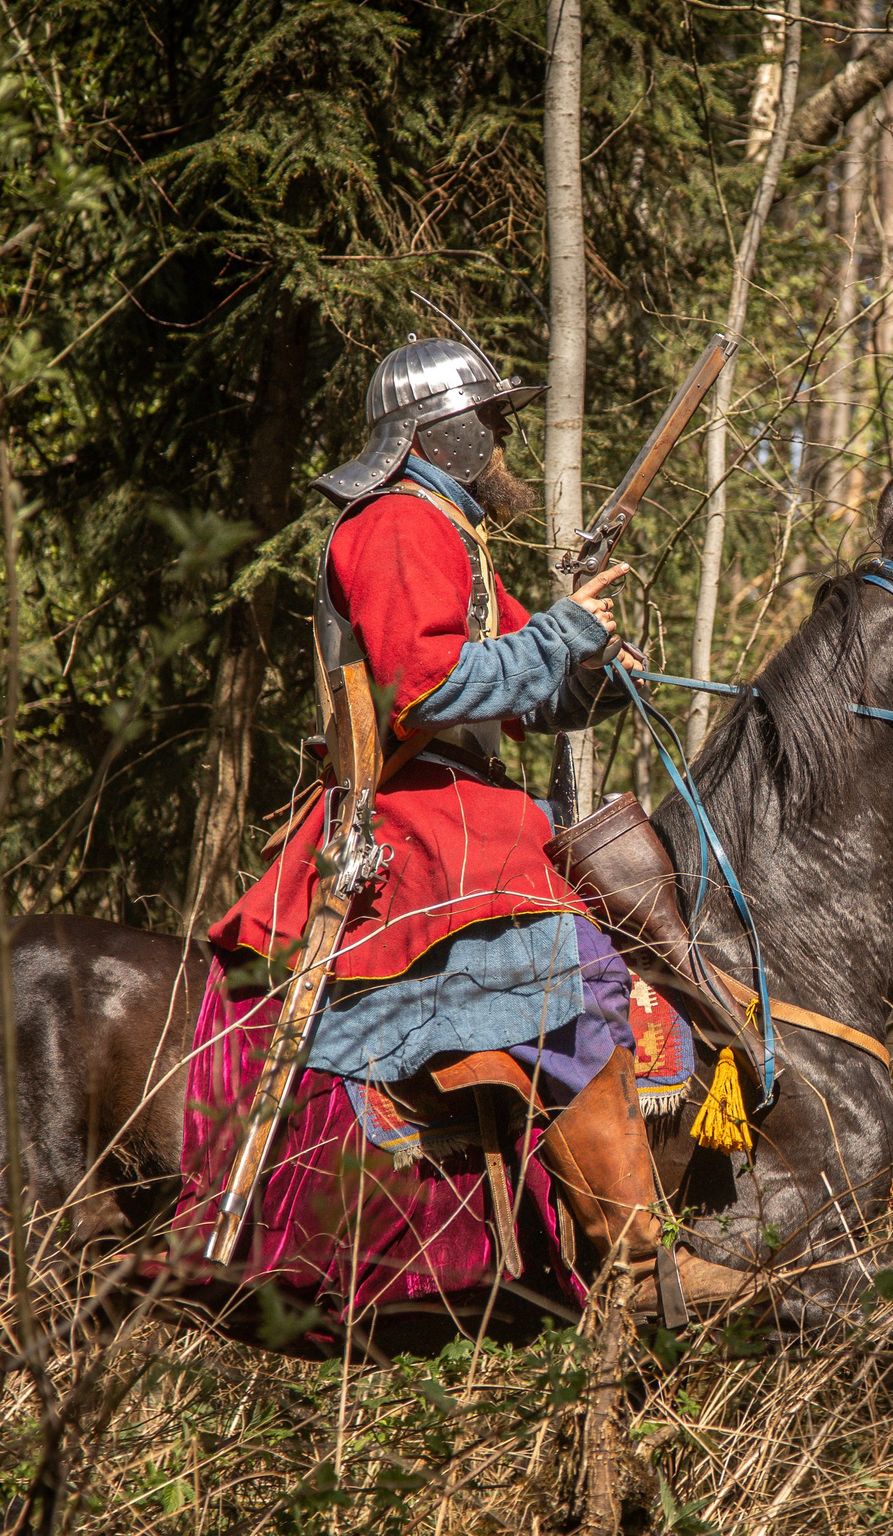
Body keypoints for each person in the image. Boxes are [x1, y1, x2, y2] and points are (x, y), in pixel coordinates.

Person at [209, 333, 664, 1262]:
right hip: (421, 814)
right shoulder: (400, 522)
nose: (501, 440)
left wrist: (594, 671)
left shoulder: (453, 531)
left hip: (461, 804)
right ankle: (635, 1246)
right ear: (437, 431)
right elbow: (425, 686)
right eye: (489, 422)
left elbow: (524, 684)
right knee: (577, 969)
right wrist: (561, 637)